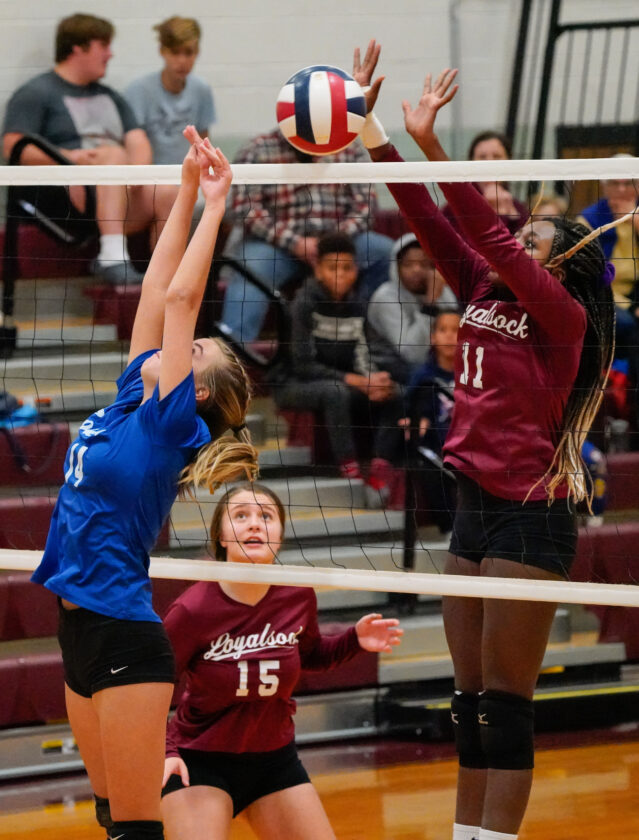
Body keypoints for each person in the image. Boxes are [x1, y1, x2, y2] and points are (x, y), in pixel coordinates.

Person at [353, 41, 615, 840]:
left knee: (505, 703)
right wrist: (371, 132)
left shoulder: (560, 317)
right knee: (466, 702)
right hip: (470, 508)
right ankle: (464, 835)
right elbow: (430, 217)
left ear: (559, 264)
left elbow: (488, 235)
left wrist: (436, 145)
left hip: (528, 515)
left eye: (532, 239)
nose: (514, 239)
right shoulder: (478, 287)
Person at [30, 128, 259, 840]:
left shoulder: (168, 425)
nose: (172, 341)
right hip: (77, 630)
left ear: (193, 391)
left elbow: (186, 292)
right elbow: (158, 288)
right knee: (111, 817)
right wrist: (185, 186)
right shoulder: (135, 393)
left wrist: (216, 203)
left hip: (126, 637)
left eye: (190, 350)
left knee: (136, 830)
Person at [160, 482, 403, 840]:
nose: (255, 523)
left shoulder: (297, 594)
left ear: (280, 536)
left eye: (266, 516)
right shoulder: (192, 610)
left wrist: (355, 641)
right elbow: (151, 690)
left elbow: (308, 657)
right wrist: (166, 751)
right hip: (199, 762)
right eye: (241, 516)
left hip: (274, 761)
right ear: (221, 538)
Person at [2, 13, 175, 283]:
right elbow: (13, 145)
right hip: (65, 199)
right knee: (113, 154)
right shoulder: (37, 92)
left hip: (117, 190)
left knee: (168, 189)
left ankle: (165, 275)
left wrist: (135, 175)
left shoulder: (110, 96)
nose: (110, 54)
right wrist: (70, 157)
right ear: (78, 48)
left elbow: (137, 139)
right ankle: (112, 257)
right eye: (103, 46)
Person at [269, 232, 409, 508]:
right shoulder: (304, 303)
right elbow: (303, 365)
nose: (340, 275)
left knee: (395, 391)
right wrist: (358, 380)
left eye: (347, 268)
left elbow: (363, 351)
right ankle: (350, 471)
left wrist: (373, 380)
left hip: (344, 382)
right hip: (292, 384)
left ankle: (380, 469)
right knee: (335, 392)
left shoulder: (358, 304)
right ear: (318, 270)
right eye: (333, 268)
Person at [219, 127, 393, 342]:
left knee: (387, 253)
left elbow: (366, 206)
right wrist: (294, 242)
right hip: (278, 247)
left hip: (342, 243)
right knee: (250, 267)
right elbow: (244, 208)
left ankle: (378, 342)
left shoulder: (351, 149)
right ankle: (233, 352)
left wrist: (332, 244)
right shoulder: (257, 149)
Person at [578, 163, 639, 439]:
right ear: (605, 188)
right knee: (627, 325)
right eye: (616, 184)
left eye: (629, 183)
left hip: (635, 294)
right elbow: (587, 273)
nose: (624, 190)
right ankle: (624, 402)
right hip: (604, 295)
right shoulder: (589, 219)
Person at [125, 17, 215, 165]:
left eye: (188, 53)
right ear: (162, 51)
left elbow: (204, 144)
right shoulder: (138, 91)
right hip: (151, 182)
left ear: (197, 51)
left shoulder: (201, 89)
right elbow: (132, 148)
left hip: (189, 178)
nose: (182, 61)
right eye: (175, 53)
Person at [404, 309, 460, 534]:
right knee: (433, 470)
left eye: (456, 331)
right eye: (443, 330)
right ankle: (449, 530)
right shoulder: (424, 376)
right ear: (432, 337)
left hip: (467, 440)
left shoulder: (473, 373)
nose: (449, 336)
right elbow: (413, 410)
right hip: (434, 444)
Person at [368, 233, 457, 368]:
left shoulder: (444, 292)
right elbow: (413, 355)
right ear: (396, 267)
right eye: (408, 264)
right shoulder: (385, 297)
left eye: (423, 264)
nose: (416, 270)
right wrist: (430, 304)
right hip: (390, 367)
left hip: (435, 365)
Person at [442, 130, 529, 235]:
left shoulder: (519, 210)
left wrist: (511, 218)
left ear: (509, 161)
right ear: (471, 163)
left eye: (497, 156)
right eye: (482, 157)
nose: (489, 163)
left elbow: (522, 249)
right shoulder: (453, 209)